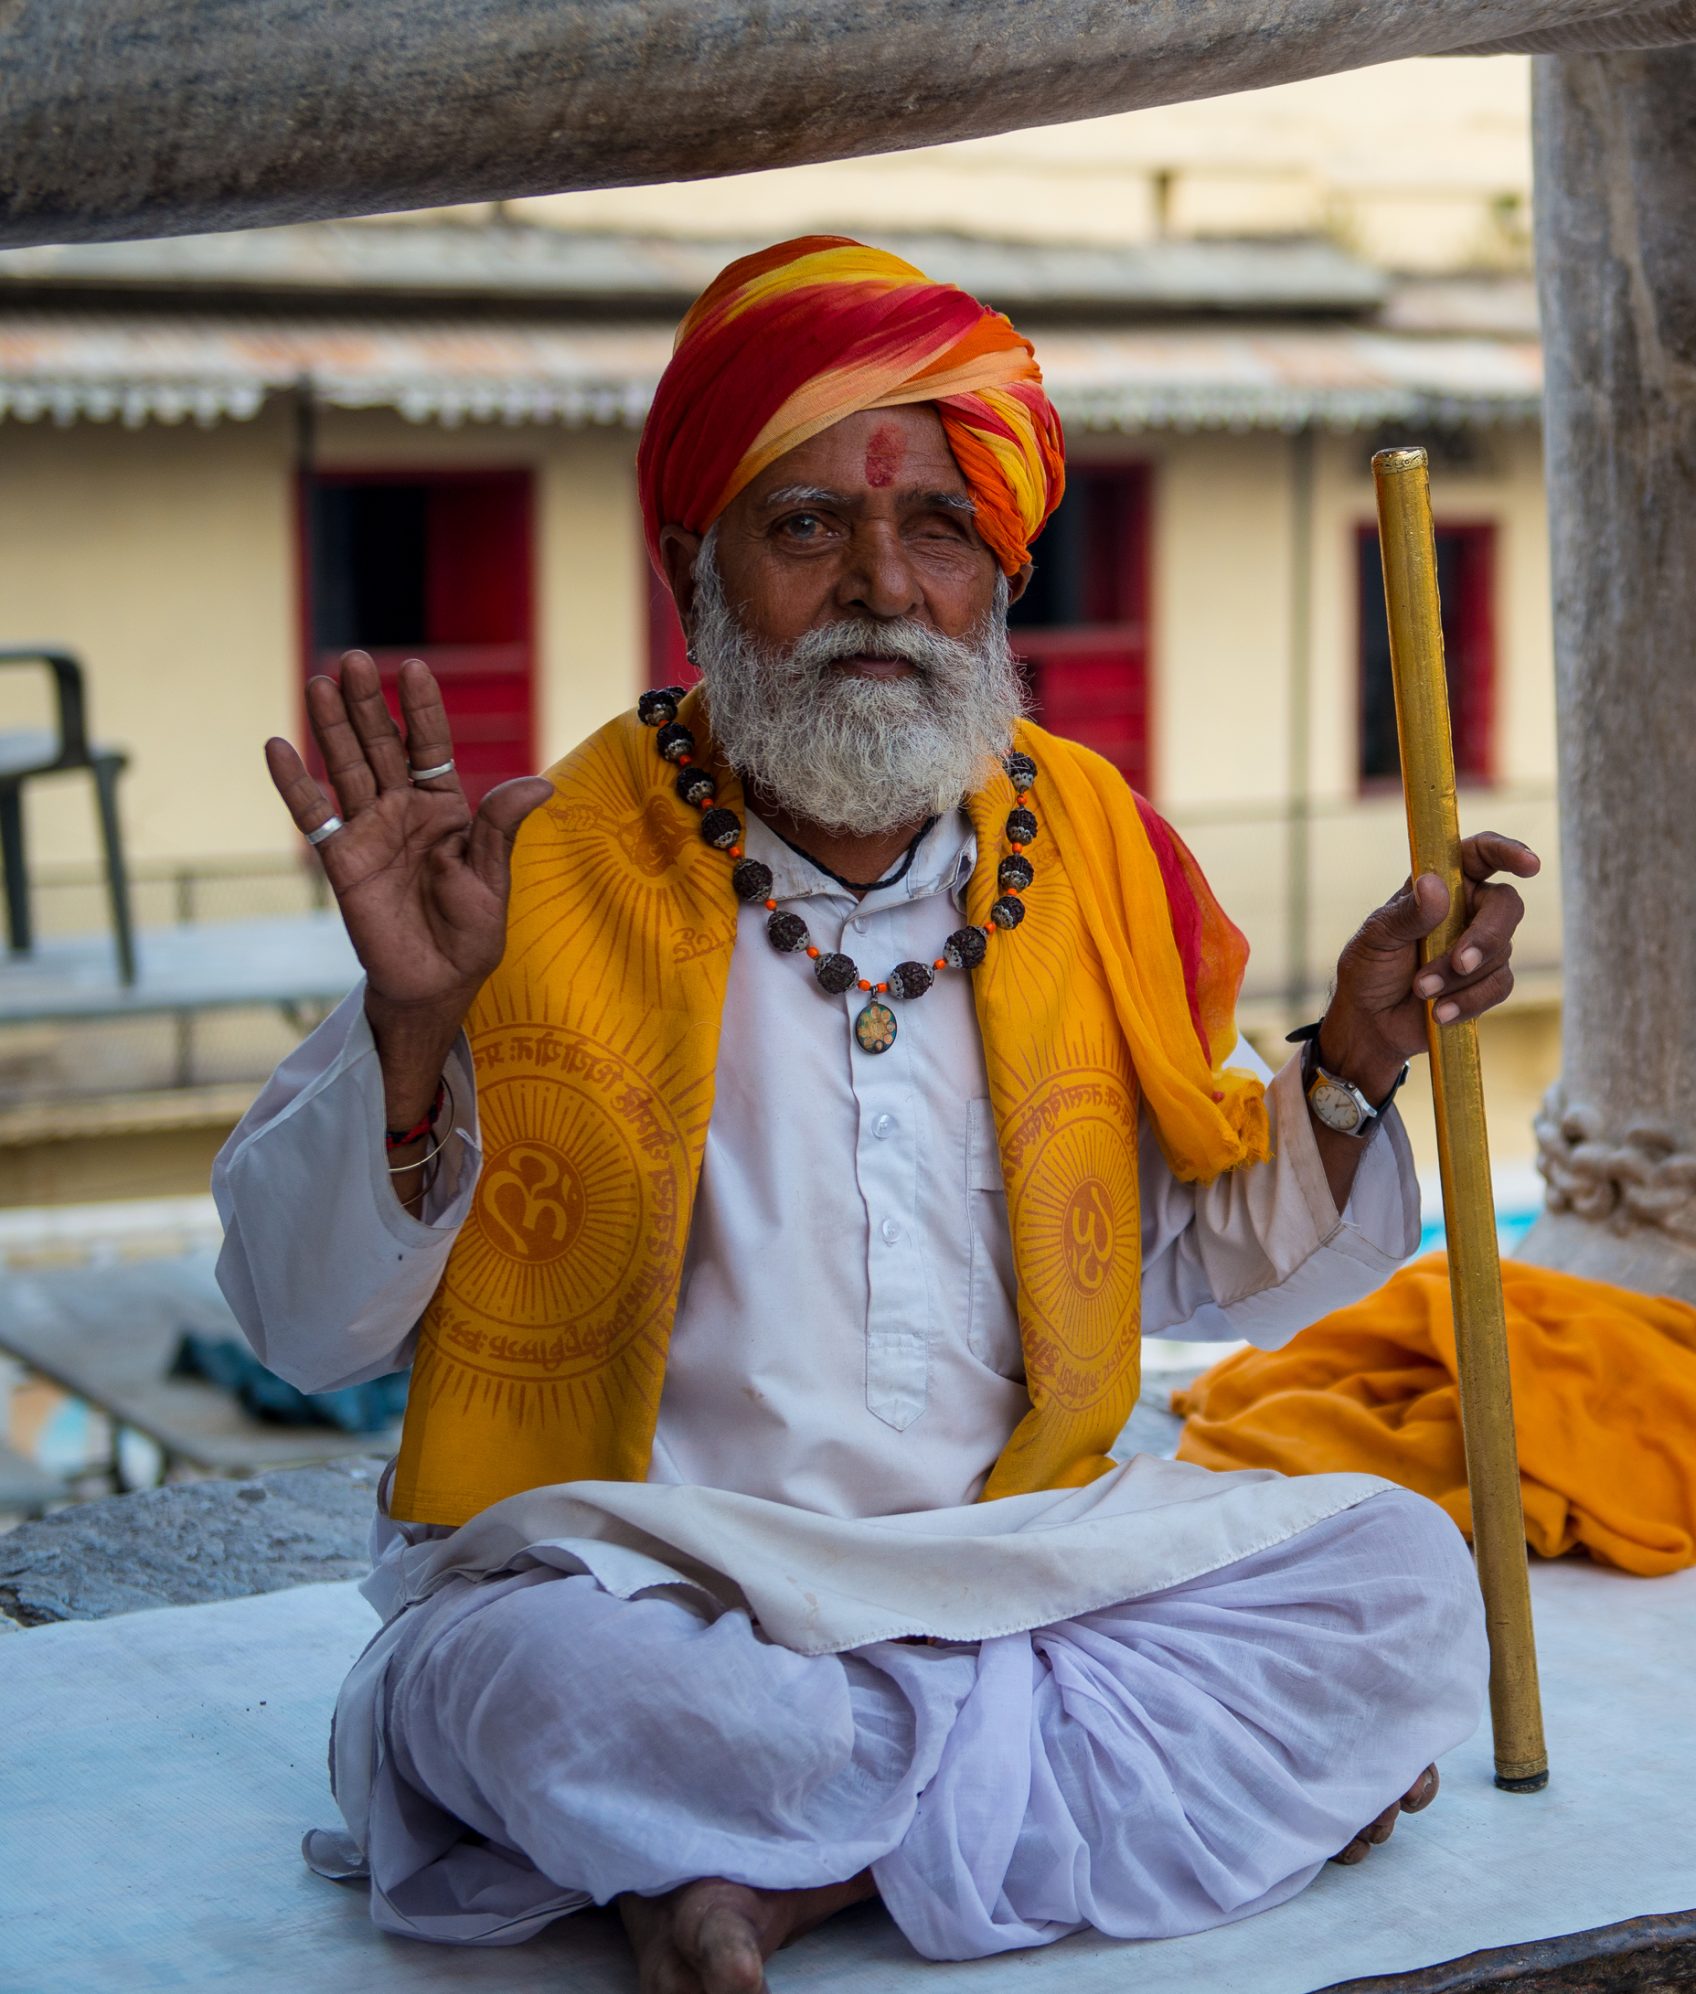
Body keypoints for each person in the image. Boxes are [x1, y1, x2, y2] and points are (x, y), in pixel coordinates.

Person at [213, 236, 1541, 1994]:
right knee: (513, 1690)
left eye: (937, 532)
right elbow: (301, 1327)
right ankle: (1093, 1795)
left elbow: (1182, 1264)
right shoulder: (529, 876)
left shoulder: (1084, 853)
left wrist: (1356, 1067)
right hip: (649, 1580)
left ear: (998, 581)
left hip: (1014, 1556)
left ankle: (762, 1877)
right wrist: (410, 1024)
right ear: (699, 567)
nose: (883, 588)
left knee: (1398, 1578)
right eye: (809, 526)